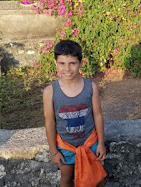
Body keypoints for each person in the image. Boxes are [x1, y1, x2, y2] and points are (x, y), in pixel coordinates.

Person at [43, 40, 107, 187]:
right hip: (65, 146)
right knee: (66, 179)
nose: (67, 68)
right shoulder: (49, 92)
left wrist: (101, 143)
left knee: (97, 178)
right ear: (55, 63)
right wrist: (54, 152)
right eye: (62, 63)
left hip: (90, 142)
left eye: (72, 63)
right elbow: (50, 122)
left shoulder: (91, 87)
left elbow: (97, 115)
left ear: (80, 63)